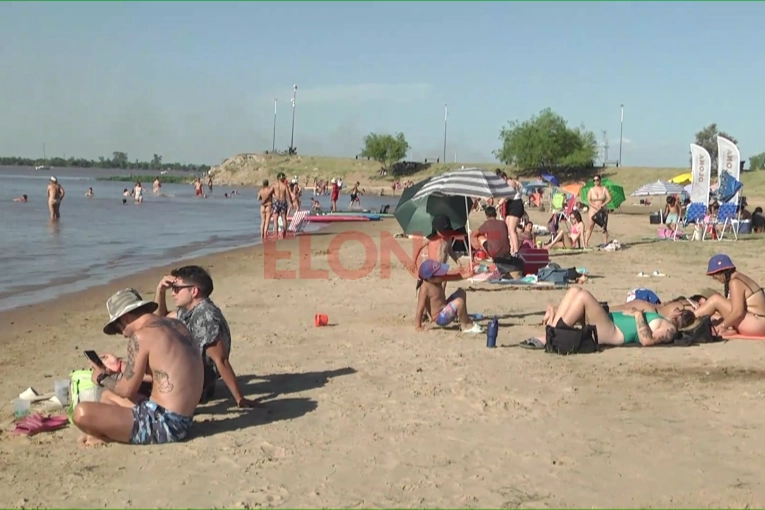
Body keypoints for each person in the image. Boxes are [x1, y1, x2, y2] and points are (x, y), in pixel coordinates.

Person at [72, 288, 203, 446]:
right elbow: (163, 372)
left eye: (118, 328)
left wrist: (101, 377)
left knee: (81, 413)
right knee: (107, 396)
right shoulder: (176, 325)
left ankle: (104, 434)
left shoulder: (141, 336)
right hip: (185, 419)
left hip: (166, 424)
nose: (122, 334)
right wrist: (119, 366)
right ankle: (102, 433)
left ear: (125, 317)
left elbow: (127, 390)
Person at [154, 265, 256, 407]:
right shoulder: (191, 310)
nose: (173, 293)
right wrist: (160, 291)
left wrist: (240, 399)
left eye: (177, 289)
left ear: (194, 291)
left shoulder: (205, 317)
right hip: (194, 380)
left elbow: (221, 360)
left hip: (194, 386)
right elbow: (159, 320)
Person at [520, 287, 694, 348]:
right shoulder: (659, 317)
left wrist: (638, 314)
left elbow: (647, 341)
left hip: (614, 332)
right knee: (574, 291)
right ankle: (552, 329)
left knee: (583, 297)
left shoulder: (670, 329)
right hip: (610, 321)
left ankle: (551, 336)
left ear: (678, 312)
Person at [693, 254, 765, 337]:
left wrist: (722, 326)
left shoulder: (735, 282)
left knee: (716, 300)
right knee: (715, 316)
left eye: (715, 274)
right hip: (757, 322)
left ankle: (687, 319)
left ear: (723, 272)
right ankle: (691, 318)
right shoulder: (739, 278)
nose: (714, 278)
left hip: (757, 324)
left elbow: (738, 312)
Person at [415, 260, 483, 334]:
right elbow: (420, 309)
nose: (441, 276)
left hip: (445, 308)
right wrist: (418, 326)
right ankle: (465, 325)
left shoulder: (437, 280)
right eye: (439, 274)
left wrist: (470, 274)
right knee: (459, 302)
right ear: (430, 278)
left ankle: (461, 316)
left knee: (461, 292)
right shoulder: (425, 288)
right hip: (440, 318)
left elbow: (456, 277)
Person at [584, 175, 612, 248]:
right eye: (594, 180)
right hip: (593, 209)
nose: (596, 182)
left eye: (597, 180)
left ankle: (605, 242)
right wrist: (595, 206)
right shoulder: (591, 190)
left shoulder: (604, 189)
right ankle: (585, 243)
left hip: (602, 208)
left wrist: (603, 204)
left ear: (600, 180)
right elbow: (589, 200)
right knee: (590, 226)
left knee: (604, 226)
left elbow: (609, 198)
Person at [501, 172, 525, 255]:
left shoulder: (510, 182)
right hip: (510, 205)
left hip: (515, 205)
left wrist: (498, 204)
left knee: (512, 229)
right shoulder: (507, 183)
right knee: (509, 230)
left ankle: (516, 250)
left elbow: (507, 195)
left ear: (504, 177)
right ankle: (511, 249)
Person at [271, 172, 290, 239]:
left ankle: (276, 234)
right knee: (284, 219)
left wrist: (273, 197)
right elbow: (288, 195)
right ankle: (284, 233)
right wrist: (290, 203)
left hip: (276, 202)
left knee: (275, 220)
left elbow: (270, 193)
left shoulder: (274, 185)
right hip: (283, 202)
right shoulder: (285, 186)